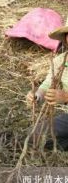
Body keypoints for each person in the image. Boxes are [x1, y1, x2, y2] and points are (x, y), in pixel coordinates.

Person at [26, 22, 68, 150]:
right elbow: (47, 84)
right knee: (34, 136)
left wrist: (66, 97)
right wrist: (37, 95)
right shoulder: (60, 61)